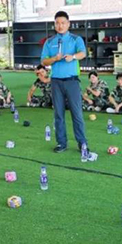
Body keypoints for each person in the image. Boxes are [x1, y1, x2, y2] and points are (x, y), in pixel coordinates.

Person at [40, 11, 89, 154]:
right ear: (54, 25)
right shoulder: (49, 42)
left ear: (68, 24)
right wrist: (54, 59)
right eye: (57, 23)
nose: (60, 26)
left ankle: (82, 143)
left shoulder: (76, 39)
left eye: (63, 23)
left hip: (72, 82)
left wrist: (73, 57)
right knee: (58, 114)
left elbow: (83, 53)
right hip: (56, 82)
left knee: (77, 114)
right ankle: (61, 143)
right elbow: (43, 61)